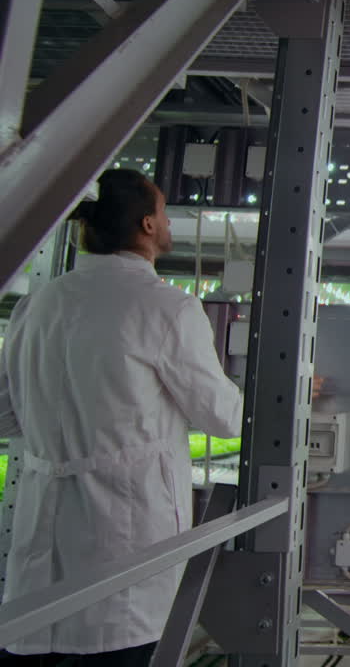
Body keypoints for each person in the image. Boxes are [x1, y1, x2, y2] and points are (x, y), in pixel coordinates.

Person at [0, 170, 243, 665]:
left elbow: (8, 413)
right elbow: (224, 418)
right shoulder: (166, 308)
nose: (171, 222)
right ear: (148, 225)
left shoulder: (37, 305)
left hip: (41, 536)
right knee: (120, 647)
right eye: (166, 212)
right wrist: (292, 397)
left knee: (41, 642)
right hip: (124, 539)